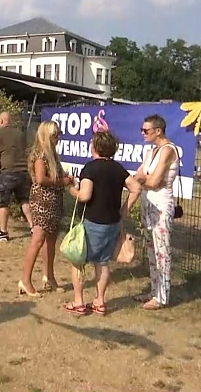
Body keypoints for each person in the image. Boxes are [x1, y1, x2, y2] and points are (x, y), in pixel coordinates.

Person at [62, 131, 141, 315]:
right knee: (102, 263)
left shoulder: (90, 168)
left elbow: (85, 196)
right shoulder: (118, 168)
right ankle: (100, 301)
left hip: (93, 222)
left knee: (78, 261)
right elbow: (136, 187)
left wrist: (72, 190)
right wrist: (123, 211)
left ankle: (79, 302)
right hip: (112, 222)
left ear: (95, 146)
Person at [18, 121, 70, 297]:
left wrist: (65, 178)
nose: (58, 138)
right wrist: (63, 182)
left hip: (54, 201)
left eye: (59, 134)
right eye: (55, 135)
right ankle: (25, 280)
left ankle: (49, 277)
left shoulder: (52, 154)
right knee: (38, 240)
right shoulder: (41, 154)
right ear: (47, 136)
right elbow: (41, 179)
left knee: (51, 240)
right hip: (42, 201)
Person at [134, 114, 179, 310]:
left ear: (158, 131)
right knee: (151, 250)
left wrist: (144, 179)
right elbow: (139, 175)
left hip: (161, 206)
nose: (142, 133)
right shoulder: (151, 152)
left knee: (162, 251)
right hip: (148, 204)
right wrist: (144, 179)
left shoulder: (168, 150)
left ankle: (162, 296)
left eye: (146, 130)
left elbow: (153, 181)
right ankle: (154, 291)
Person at [0, 111, 33, 241]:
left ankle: (3, 232)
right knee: (24, 200)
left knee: (3, 202)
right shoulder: (20, 134)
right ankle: (33, 227)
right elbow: (26, 150)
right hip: (23, 172)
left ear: (1, 121)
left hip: (8, 172)